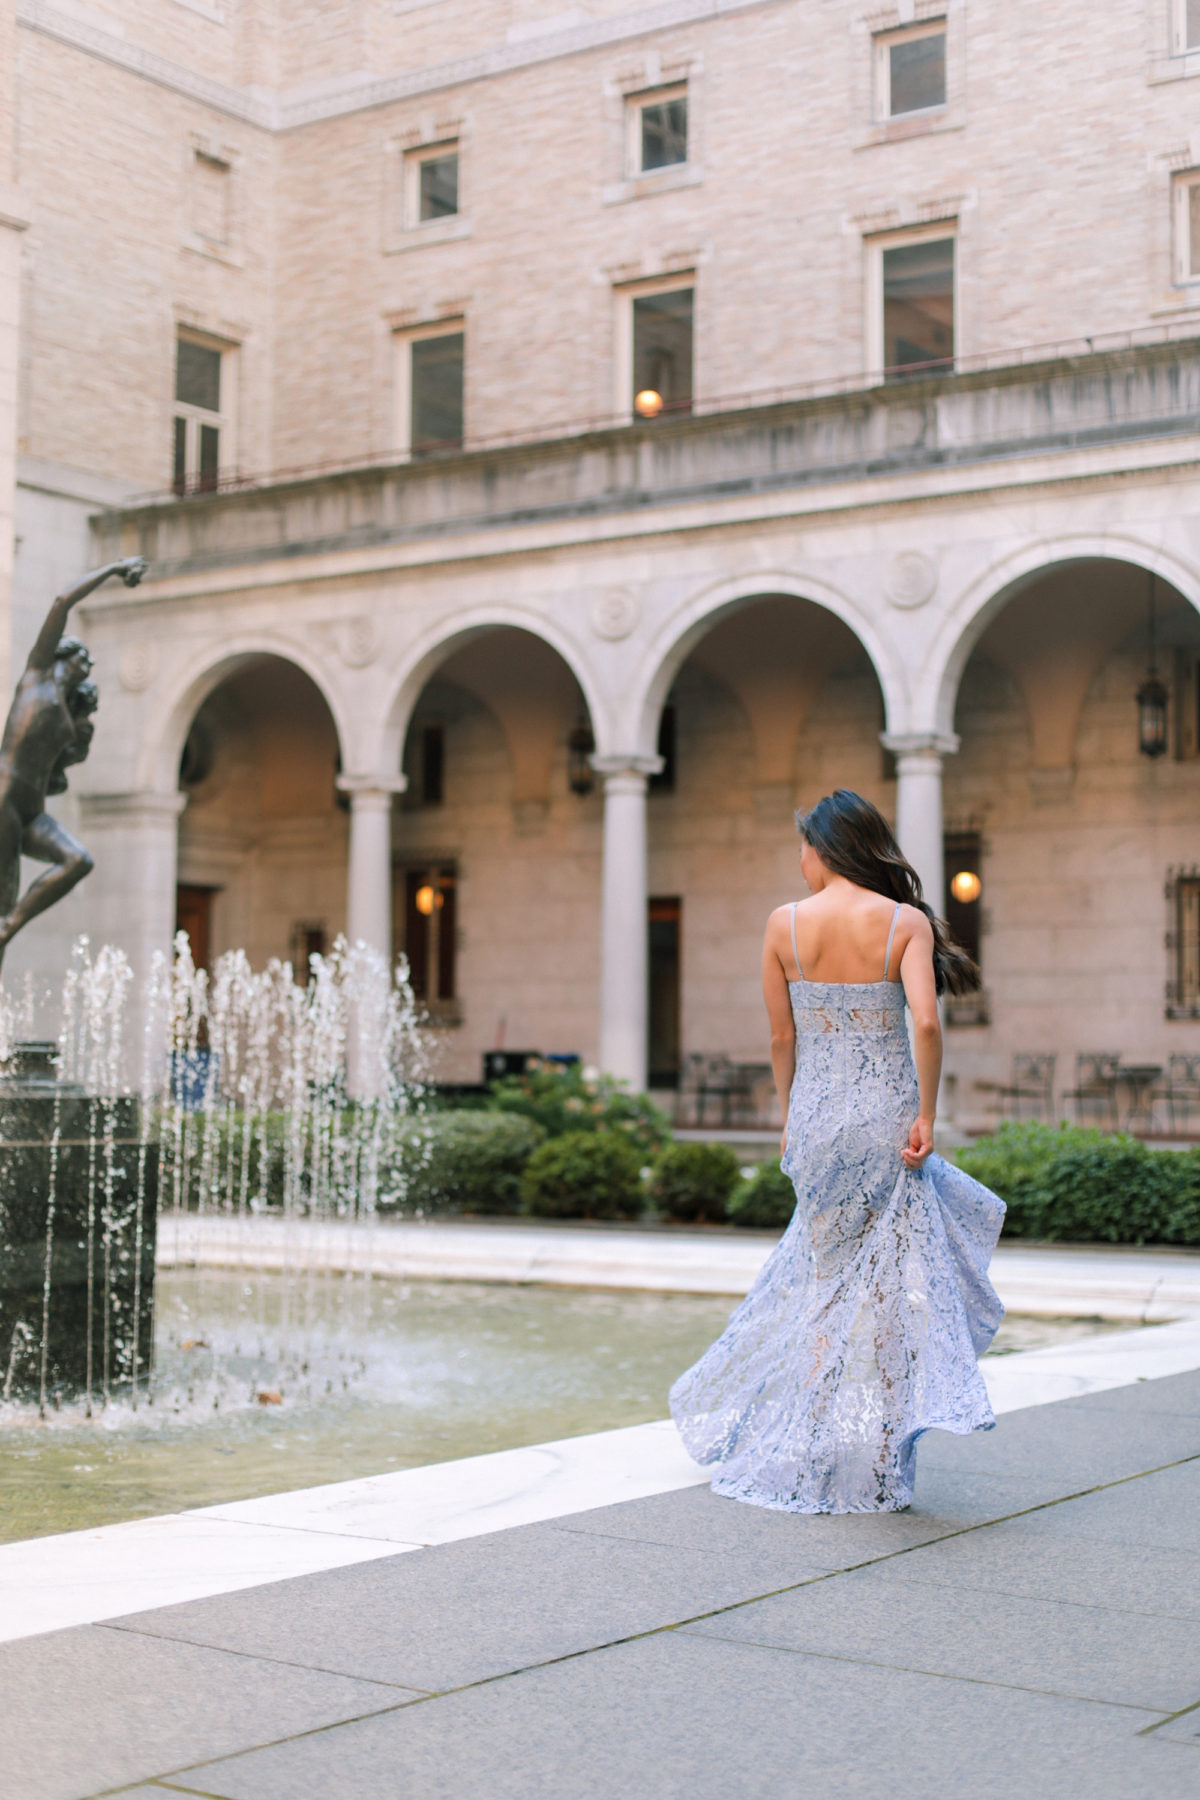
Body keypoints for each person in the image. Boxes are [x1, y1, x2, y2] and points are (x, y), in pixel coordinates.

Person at [670, 788, 1005, 1514]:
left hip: (819, 1122)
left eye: (803, 846)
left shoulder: (783, 925)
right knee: (887, 1290)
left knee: (825, 1280)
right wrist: (927, 1111)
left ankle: (811, 1435)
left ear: (825, 849)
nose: (800, 859)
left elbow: (781, 1037)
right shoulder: (904, 921)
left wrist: (792, 1115)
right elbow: (926, 1023)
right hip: (887, 1122)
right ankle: (882, 1451)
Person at [0, 555, 146, 971]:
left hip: (32, 810)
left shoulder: (67, 713)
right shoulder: (37, 675)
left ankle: (11, 924)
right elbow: (62, 601)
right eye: (84, 658)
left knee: (78, 860)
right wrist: (115, 569)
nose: (90, 664)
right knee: (0, 900)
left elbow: (58, 777)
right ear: (64, 657)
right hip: (5, 798)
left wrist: (81, 738)